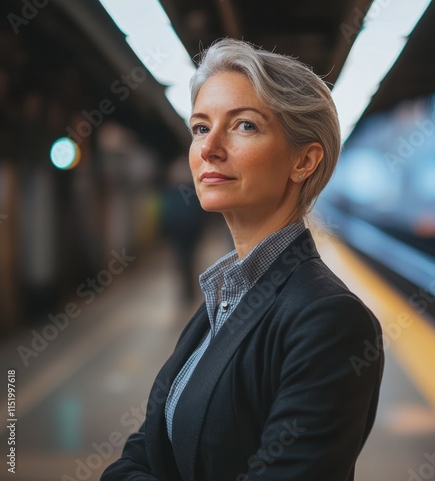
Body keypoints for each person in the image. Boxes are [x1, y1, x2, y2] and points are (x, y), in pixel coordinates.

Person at [101, 38, 384, 481]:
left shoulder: (330, 322)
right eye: (199, 127)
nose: (209, 148)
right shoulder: (223, 298)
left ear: (304, 161)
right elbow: (139, 456)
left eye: (244, 126)